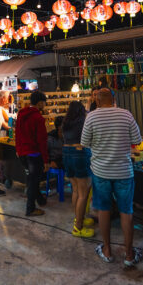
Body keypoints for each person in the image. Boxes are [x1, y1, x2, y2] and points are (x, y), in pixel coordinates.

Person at [81, 88, 143, 266]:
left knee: (104, 210)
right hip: (124, 171)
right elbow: (137, 140)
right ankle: (129, 254)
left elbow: (85, 143)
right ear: (114, 100)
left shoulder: (91, 117)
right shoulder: (126, 115)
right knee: (126, 211)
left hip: (101, 172)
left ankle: (107, 250)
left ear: (97, 101)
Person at [62, 101, 95, 238]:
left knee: (75, 190)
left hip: (66, 153)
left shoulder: (66, 122)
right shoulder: (84, 120)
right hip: (79, 153)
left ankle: (78, 218)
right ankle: (78, 228)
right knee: (83, 193)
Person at [15, 91, 49, 216]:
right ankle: (30, 208)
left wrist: (18, 150)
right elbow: (42, 141)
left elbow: (17, 133)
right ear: (40, 103)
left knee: (31, 179)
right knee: (34, 182)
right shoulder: (38, 118)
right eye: (44, 102)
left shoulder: (21, 114)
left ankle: (40, 200)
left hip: (22, 153)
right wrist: (46, 160)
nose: (45, 105)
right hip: (34, 154)